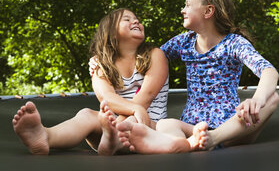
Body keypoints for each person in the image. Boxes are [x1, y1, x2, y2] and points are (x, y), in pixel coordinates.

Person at [115, 0, 279, 154]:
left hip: (231, 128)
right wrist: (104, 61)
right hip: (192, 128)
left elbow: (269, 71)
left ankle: (212, 138)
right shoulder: (184, 42)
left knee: (271, 98)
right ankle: (181, 143)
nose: (182, 10)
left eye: (187, 5)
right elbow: (146, 61)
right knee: (166, 124)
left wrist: (257, 99)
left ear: (208, 11)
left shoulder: (234, 43)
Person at [12, 8, 169, 155]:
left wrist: (119, 125)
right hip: (109, 132)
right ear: (112, 33)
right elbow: (106, 98)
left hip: (149, 128)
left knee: (134, 118)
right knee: (86, 114)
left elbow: (146, 97)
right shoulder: (101, 64)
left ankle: (113, 140)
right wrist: (113, 127)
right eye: (127, 19)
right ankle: (45, 136)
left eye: (137, 19)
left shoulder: (155, 55)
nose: (136, 22)